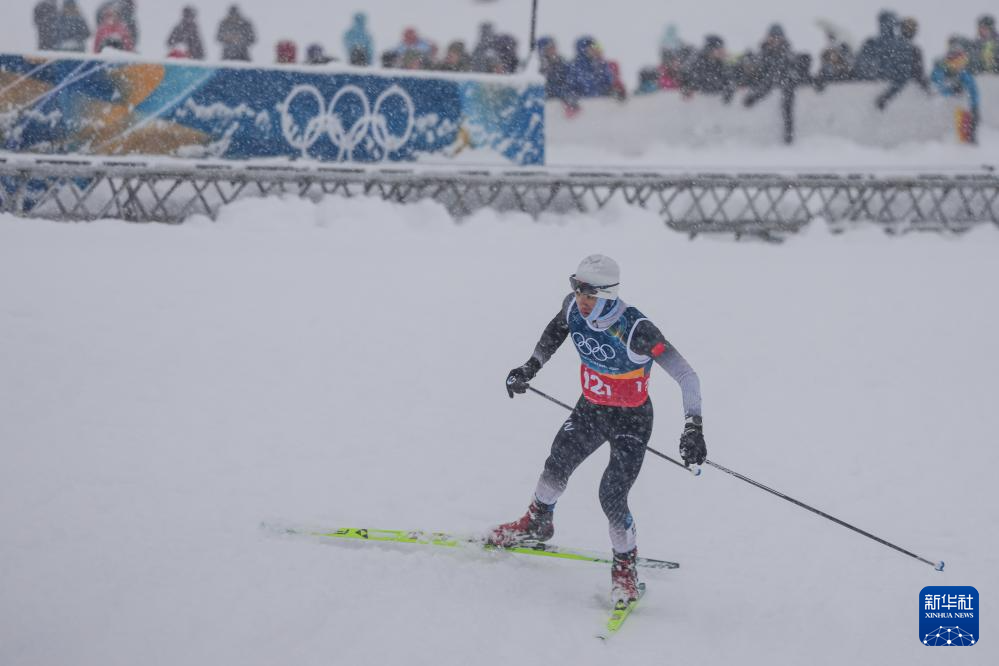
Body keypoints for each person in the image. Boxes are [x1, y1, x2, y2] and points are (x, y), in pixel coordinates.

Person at [491, 255, 706, 605]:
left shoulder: (637, 329)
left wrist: (693, 427)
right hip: (591, 409)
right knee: (556, 465)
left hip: (631, 421)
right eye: (578, 290)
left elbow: (686, 375)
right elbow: (556, 330)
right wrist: (530, 367)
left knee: (611, 495)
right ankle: (537, 523)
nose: (582, 300)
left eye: (590, 294)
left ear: (609, 293)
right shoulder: (573, 309)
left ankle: (625, 568)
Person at [933, 40, 980, 144]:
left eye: (960, 59)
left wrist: (974, 106)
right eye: (955, 59)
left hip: (960, 106)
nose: (958, 63)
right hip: (945, 105)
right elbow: (936, 84)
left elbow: (973, 90)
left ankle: (965, 143)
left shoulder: (964, 73)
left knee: (964, 126)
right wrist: (950, 88)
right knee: (947, 129)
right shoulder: (941, 69)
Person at [681, 34, 736, 103]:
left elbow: (729, 80)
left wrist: (729, 89)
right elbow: (689, 79)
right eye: (719, 49)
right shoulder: (696, 62)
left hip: (714, 105)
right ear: (710, 49)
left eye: (722, 48)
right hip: (695, 104)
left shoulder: (721, 64)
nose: (722, 51)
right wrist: (687, 87)